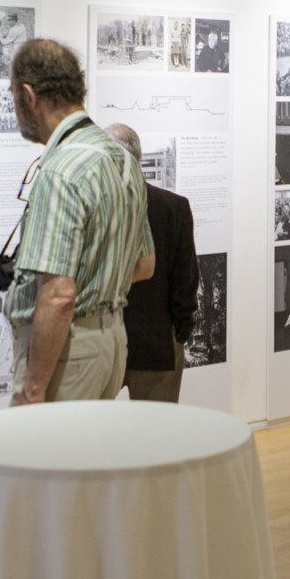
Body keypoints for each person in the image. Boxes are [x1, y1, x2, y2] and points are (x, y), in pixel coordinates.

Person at [4, 39, 155, 404]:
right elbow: (144, 264)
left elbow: (59, 295)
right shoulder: (121, 159)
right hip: (111, 343)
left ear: (28, 96)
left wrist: (34, 387)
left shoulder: (61, 169)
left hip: (68, 351)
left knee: (45, 443)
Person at [108, 124, 200, 401]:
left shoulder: (98, 208)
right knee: (158, 425)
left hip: (109, 339)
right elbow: (185, 277)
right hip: (158, 338)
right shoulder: (174, 207)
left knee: (95, 424)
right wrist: (182, 326)